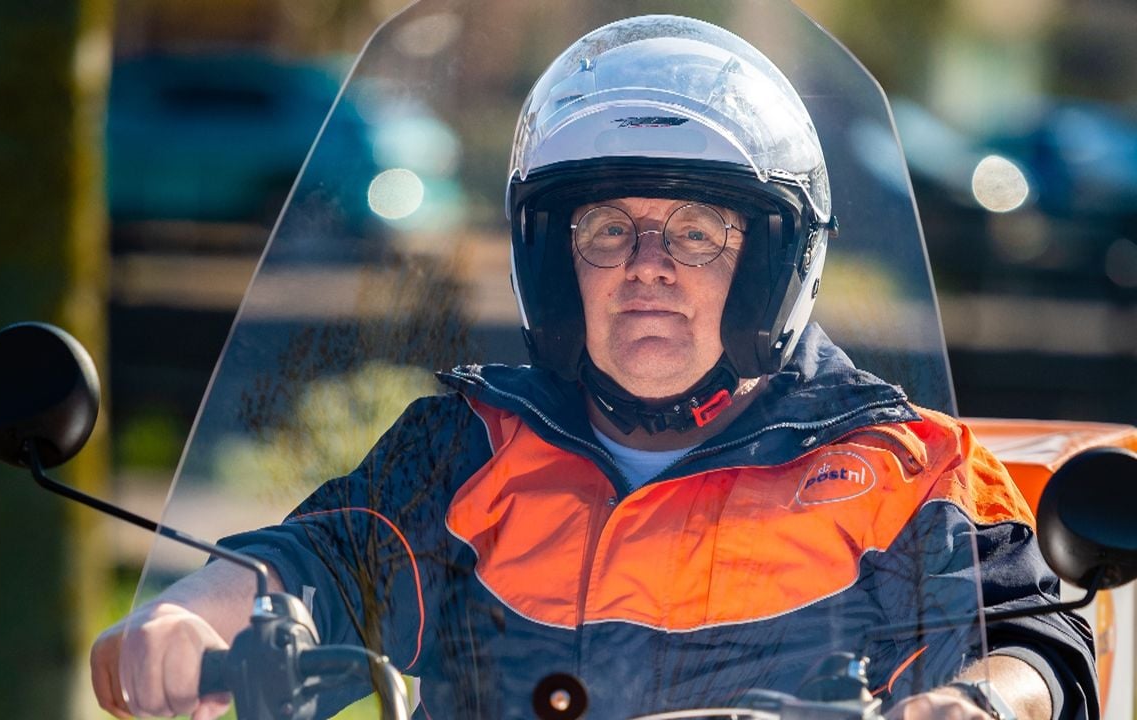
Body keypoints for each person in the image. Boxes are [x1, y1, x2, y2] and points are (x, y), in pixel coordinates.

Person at [90, 15, 1097, 720]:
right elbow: (311, 563)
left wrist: (976, 703)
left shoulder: (903, 467)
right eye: (607, 230)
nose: (646, 266)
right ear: (554, 265)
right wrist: (183, 616)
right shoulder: (466, 450)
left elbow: (1034, 646)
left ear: (771, 264)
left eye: (696, 232)